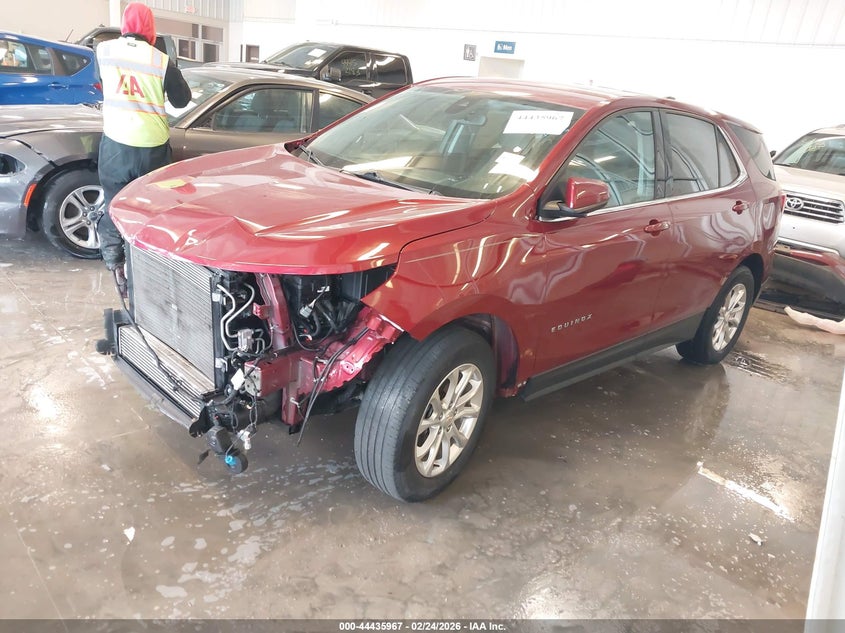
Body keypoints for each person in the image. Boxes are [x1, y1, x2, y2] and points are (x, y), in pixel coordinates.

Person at [95, 2, 191, 294]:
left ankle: (116, 267)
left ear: (124, 26)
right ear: (151, 30)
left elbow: (102, 81)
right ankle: (148, 271)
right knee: (152, 210)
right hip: (152, 148)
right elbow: (182, 100)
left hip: (116, 145)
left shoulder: (104, 51)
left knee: (114, 205)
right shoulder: (161, 61)